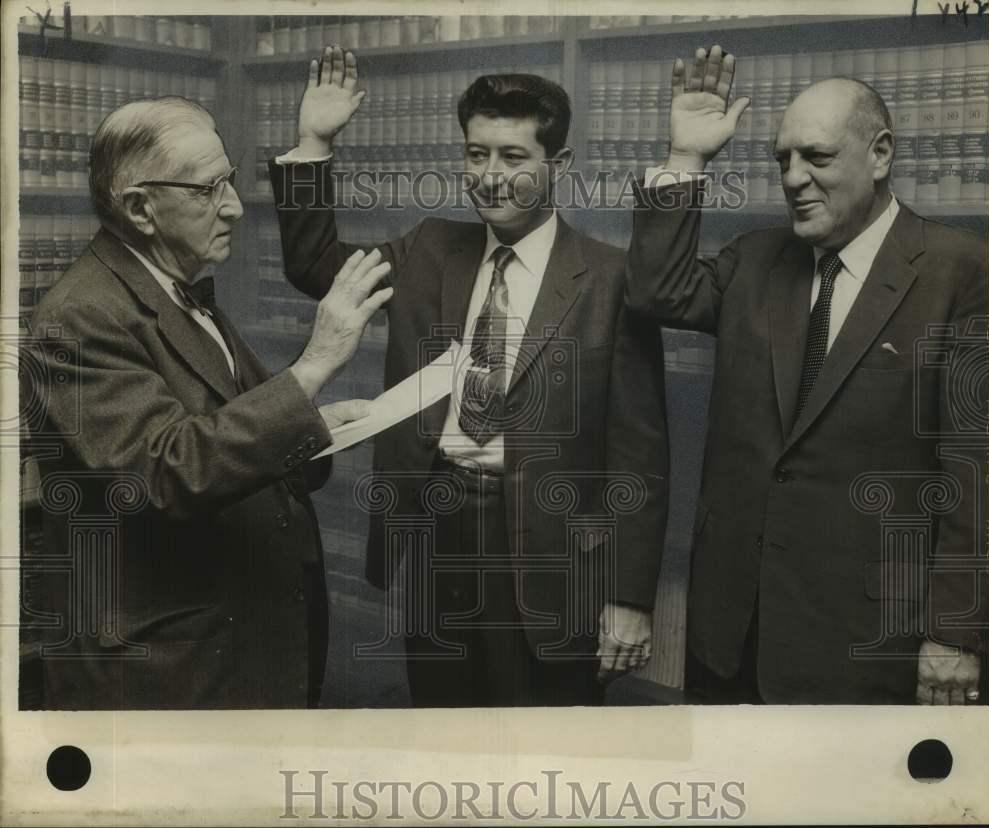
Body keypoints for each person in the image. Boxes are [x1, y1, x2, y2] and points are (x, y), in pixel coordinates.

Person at [269, 47, 670, 706]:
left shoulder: (610, 279)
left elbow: (642, 457)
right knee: (441, 732)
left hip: (551, 554)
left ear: (558, 166)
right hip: (435, 529)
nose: (489, 175)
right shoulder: (430, 248)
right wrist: (314, 141)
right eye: (476, 154)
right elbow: (317, 265)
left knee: (544, 754)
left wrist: (629, 598)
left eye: (513, 157)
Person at [627, 46, 988, 704]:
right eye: (782, 159)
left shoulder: (962, 271)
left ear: (879, 155)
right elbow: (655, 294)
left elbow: (976, 468)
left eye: (816, 157)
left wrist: (956, 629)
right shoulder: (755, 259)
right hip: (730, 631)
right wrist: (686, 159)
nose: (793, 178)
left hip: (869, 641)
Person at [26, 96, 392, 709]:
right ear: (140, 208)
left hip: (240, 646)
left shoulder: (175, 288)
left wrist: (311, 426)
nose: (235, 207)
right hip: (171, 673)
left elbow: (222, 430)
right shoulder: (79, 317)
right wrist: (312, 368)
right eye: (207, 190)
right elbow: (161, 473)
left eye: (228, 181)